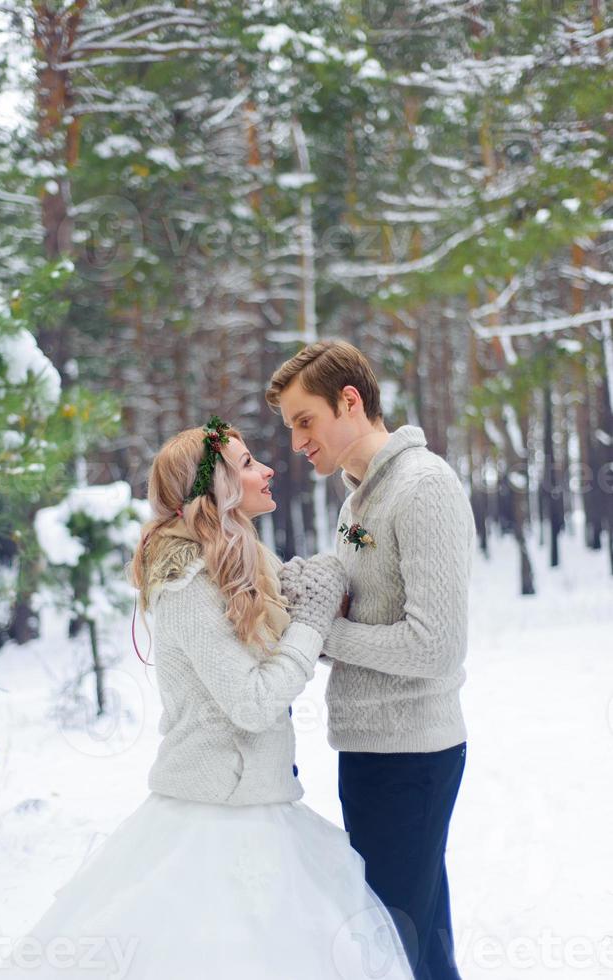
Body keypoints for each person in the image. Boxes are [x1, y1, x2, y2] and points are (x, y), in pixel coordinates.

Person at [0, 415, 413, 980]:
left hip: (260, 803)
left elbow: (282, 633)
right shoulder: (188, 587)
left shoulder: (239, 565)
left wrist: (313, 585)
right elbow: (254, 702)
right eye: (247, 466)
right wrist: (308, 622)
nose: (266, 471)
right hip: (217, 820)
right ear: (218, 492)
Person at [267, 341, 476, 980]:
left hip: (411, 755)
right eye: (291, 427)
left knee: (397, 938)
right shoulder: (357, 501)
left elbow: (436, 646)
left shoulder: (423, 487)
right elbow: (360, 598)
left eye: (306, 420)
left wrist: (321, 634)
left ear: (350, 401)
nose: (299, 440)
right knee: (412, 936)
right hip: (372, 750)